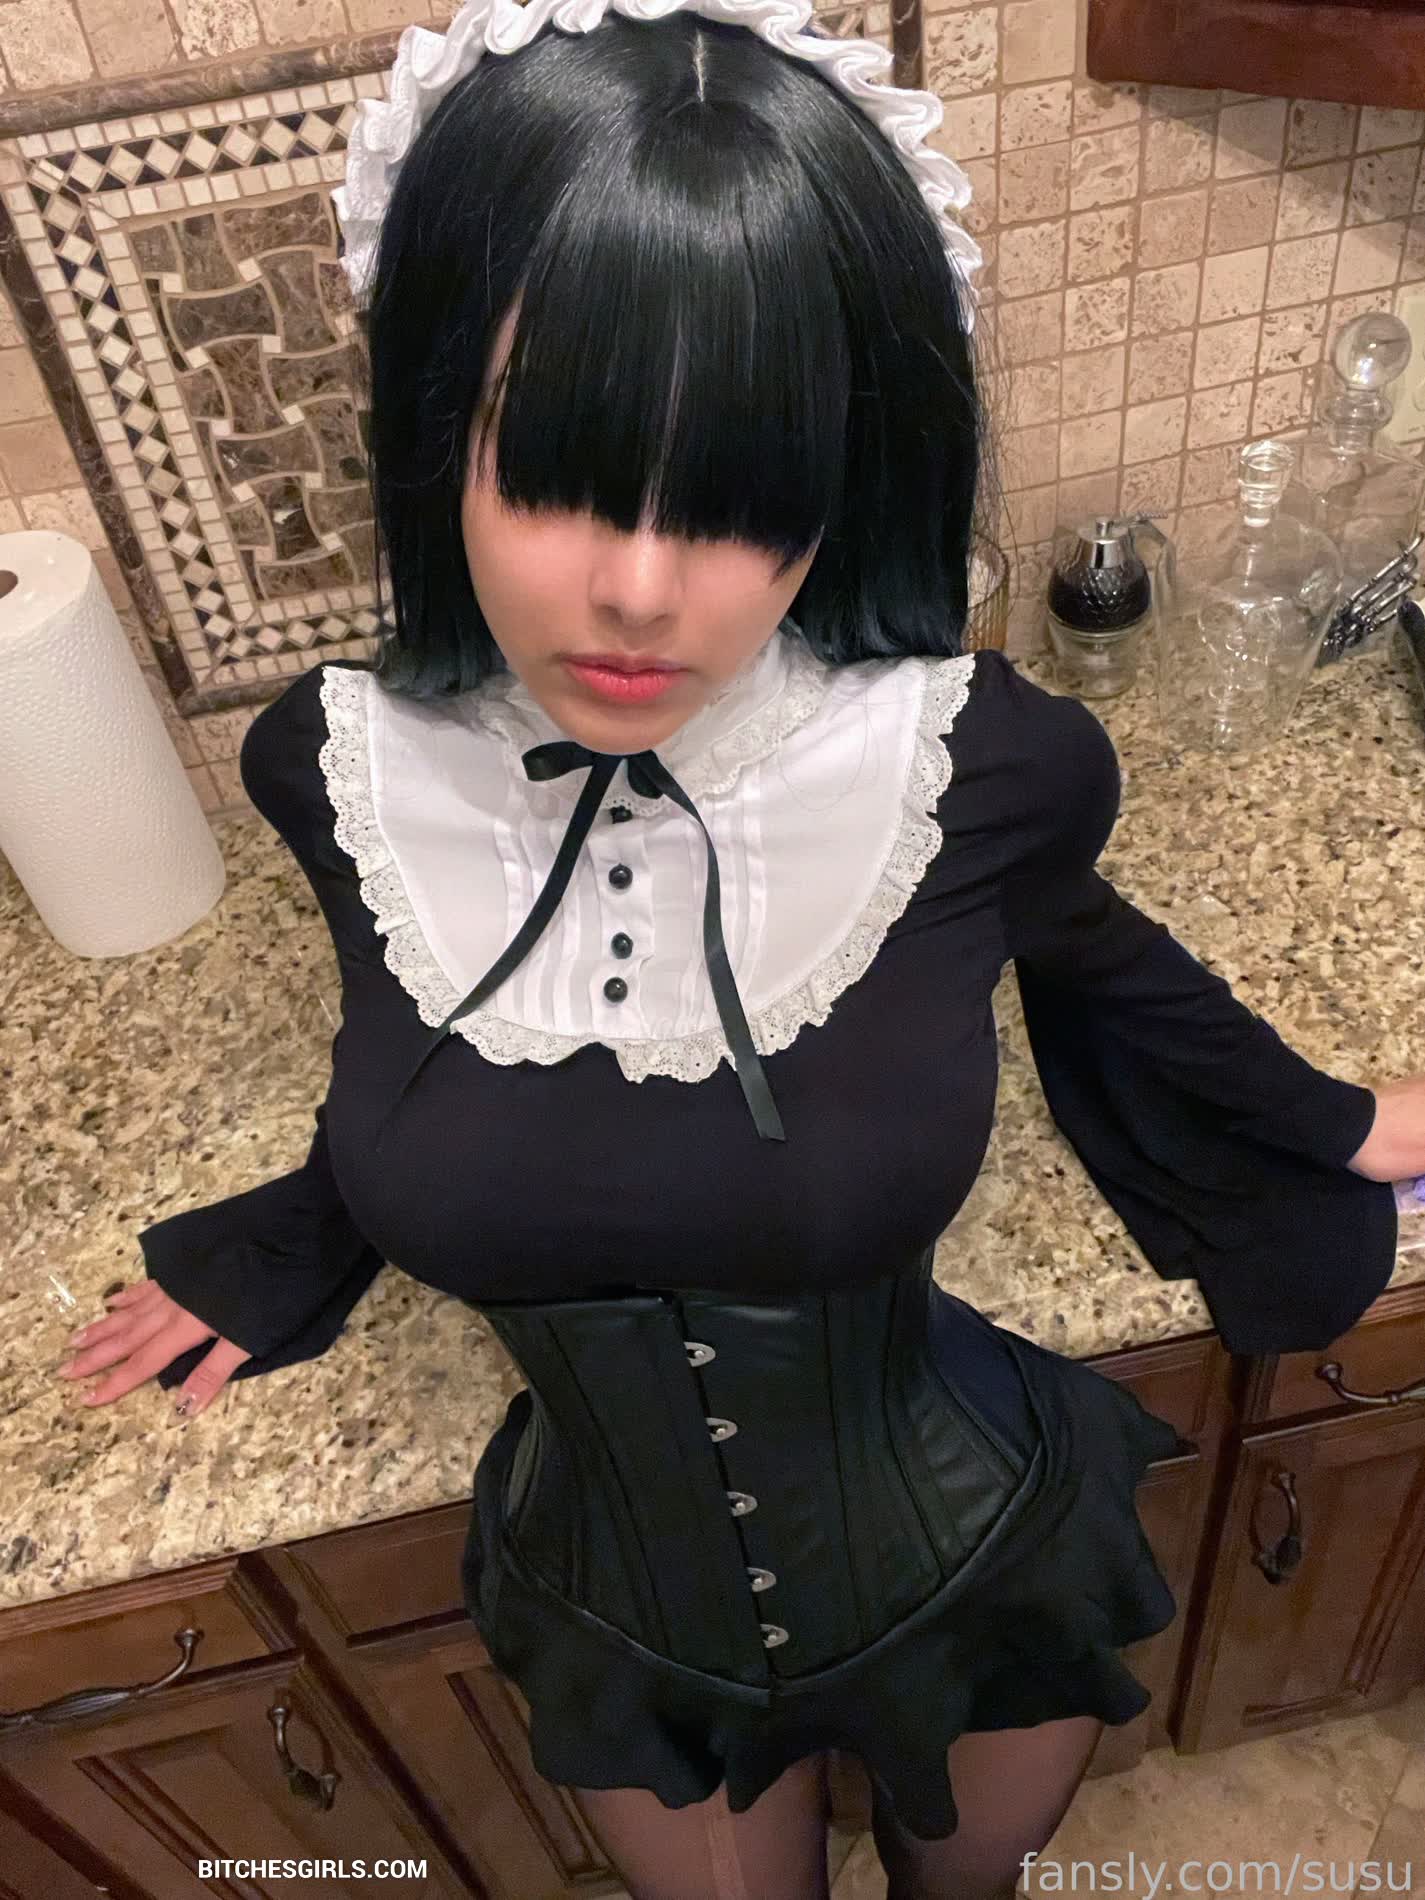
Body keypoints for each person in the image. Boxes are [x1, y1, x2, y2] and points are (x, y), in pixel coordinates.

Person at [58, 2, 1425, 1896]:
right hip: (625, 1620)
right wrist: (305, 1227)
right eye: (553, 472)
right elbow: (422, 1032)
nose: (638, 589)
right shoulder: (335, 771)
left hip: (975, 1557)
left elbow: (1097, 955)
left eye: (741, 498)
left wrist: (1336, 1118)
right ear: (436, 428)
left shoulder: (973, 765)